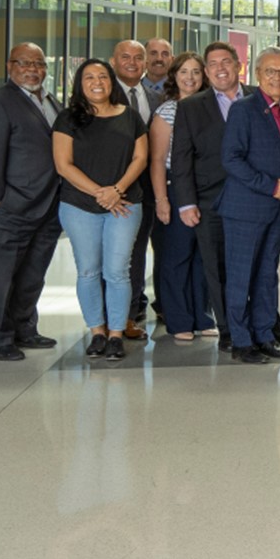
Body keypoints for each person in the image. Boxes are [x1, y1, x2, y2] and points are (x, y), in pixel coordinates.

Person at [0, 43, 64, 363]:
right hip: (10, 206)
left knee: (33, 273)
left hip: (49, 204)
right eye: (24, 63)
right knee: (0, 275)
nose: (33, 69)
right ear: (10, 66)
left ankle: (25, 327)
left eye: (39, 63)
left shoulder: (50, 101)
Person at [52, 58, 148, 363]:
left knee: (118, 271)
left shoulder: (130, 117)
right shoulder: (67, 118)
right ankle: (97, 332)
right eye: (89, 77)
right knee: (89, 270)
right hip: (79, 206)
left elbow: (140, 159)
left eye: (103, 77)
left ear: (111, 82)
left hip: (125, 204)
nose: (97, 82)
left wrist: (116, 190)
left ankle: (117, 333)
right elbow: (63, 165)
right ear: (80, 84)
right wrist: (100, 193)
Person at [219, 49, 280, 365]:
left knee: (267, 275)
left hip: (276, 211)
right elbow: (231, 158)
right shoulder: (244, 109)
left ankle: (264, 335)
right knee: (241, 277)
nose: (277, 78)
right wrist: (270, 185)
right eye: (270, 71)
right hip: (245, 209)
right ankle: (241, 342)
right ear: (256, 74)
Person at [169, 42, 249, 349]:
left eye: (226, 62)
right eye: (212, 64)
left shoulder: (257, 97)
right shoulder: (191, 106)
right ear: (207, 71)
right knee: (217, 268)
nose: (220, 68)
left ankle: (259, 323)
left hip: (254, 198)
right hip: (209, 200)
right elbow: (181, 157)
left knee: (255, 265)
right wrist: (186, 202)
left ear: (238, 65)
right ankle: (229, 330)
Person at [144, 51, 207, 342]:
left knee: (201, 257)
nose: (190, 78)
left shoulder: (211, 107)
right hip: (173, 188)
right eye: (184, 72)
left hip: (204, 189)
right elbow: (156, 160)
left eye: (196, 72)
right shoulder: (167, 111)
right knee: (176, 256)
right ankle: (179, 318)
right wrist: (162, 200)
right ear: (175, 76)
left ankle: (200, 316)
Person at [107, 39, 162, 337]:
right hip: (110, 190)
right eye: (125, 56)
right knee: (113, 258)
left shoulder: (156, 97)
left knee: (138, 254)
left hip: (146, 189)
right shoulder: (102, 93)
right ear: (113, 61)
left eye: (138, 58)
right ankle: (108, 319)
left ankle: (128, 315)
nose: (132, 62)